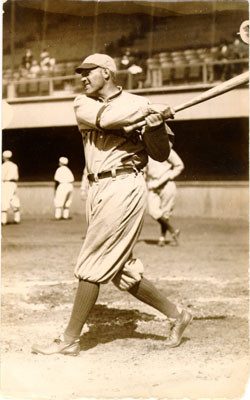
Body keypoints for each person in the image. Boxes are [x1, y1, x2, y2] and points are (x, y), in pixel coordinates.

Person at [32, 53, 193, 356]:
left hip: (124, 183)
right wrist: (149, 112)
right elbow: (108, 119)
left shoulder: (138, 104)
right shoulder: (85, 103)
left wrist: (156, 126)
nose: (82, 77)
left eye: (88, 72)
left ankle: (70, 339)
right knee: (122, 270)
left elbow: (159, 154)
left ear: (106, 73)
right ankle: (177, 315)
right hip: (97, 186)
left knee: (92, 260)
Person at [146, 148, 184, 247]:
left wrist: (170, 176)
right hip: (153, 184)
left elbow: (179, 165)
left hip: (167, 184)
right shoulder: (146, 151)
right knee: (153, 211)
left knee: (165, 212)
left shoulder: (167, 150)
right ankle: (173, 230)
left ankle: (162, 238)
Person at [1, 150, 21, 225]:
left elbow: (1, 177)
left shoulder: (3, 166)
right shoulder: (14, 165)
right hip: (13, 184)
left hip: (6, 183)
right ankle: (17, 218)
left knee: (4, 200)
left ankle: (3, 220)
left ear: (4, 157)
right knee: (14, 199)